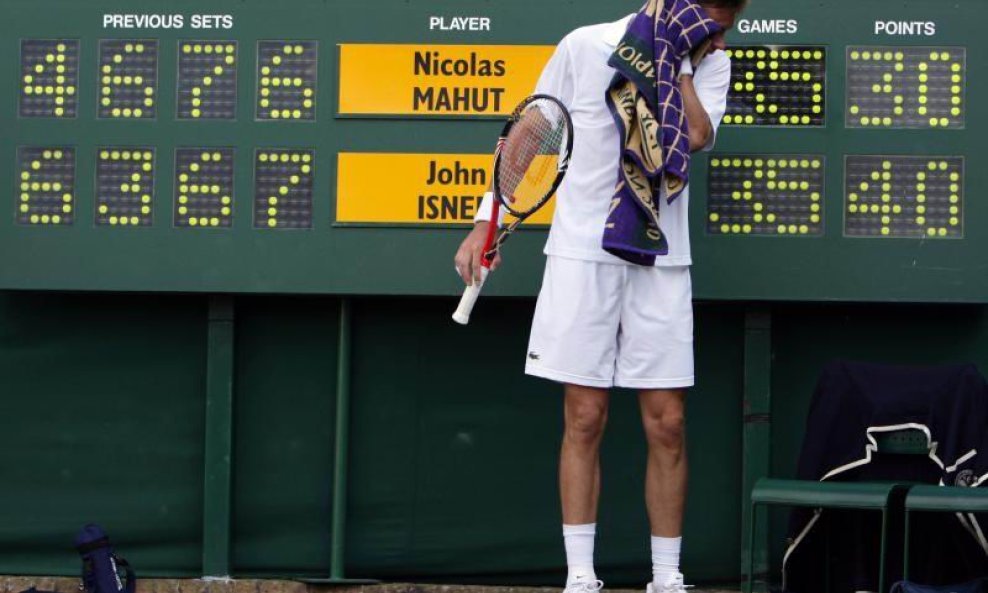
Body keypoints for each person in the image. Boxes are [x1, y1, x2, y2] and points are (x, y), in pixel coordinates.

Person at [454, 1, 744, 592]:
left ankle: (667, 578)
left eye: (725, 30)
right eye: (713, 27)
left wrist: (678, 63)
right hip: (582, 254)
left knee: (667, 424)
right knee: (584, 417)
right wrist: (487, 224)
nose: (719, 41)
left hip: (661, 258)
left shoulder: (711, 65)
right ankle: (581, 577)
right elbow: (532, 132)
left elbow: (692, 134)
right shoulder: (584, 45)